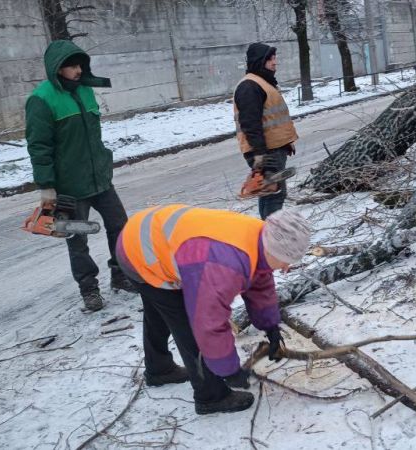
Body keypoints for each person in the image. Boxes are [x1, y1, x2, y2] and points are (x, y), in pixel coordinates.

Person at [116, 205, 311, 414]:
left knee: (159, 311)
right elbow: (208, 322)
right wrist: (229, 370)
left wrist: (271, 326)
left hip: (143, 236)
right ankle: (210, 396)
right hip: (140, 254)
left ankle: (159, 368)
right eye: (286, 260)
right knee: (186, 324)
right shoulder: (223, 265)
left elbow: (259, 280)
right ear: (274, 249)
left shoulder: (260, 237)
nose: (286, 267)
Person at [26, 40, 137, 312]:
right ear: (57, 69)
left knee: (120, 227)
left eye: (80, 65)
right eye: (72, 66)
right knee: (77, 238)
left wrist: (103, 162)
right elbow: (39, 147)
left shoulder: (86, 90)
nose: (78, 70)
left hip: (99, 180)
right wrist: (47, 187)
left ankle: (120, 275)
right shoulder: (41, 100)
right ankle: (89, 290)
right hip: (69, 187)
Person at [233, 42, 300, 219]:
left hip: (273, 148)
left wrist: (285, 143)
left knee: (269, 192)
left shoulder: (262, 83)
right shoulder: (250, 86)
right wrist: (259, 154)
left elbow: (271, 120)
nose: (274, 62)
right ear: (259, 61)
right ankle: (272, 238)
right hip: (266, 151)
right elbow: (250, 123)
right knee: (274, 196)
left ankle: (266, 235)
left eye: (275, 58)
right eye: (270, 58)